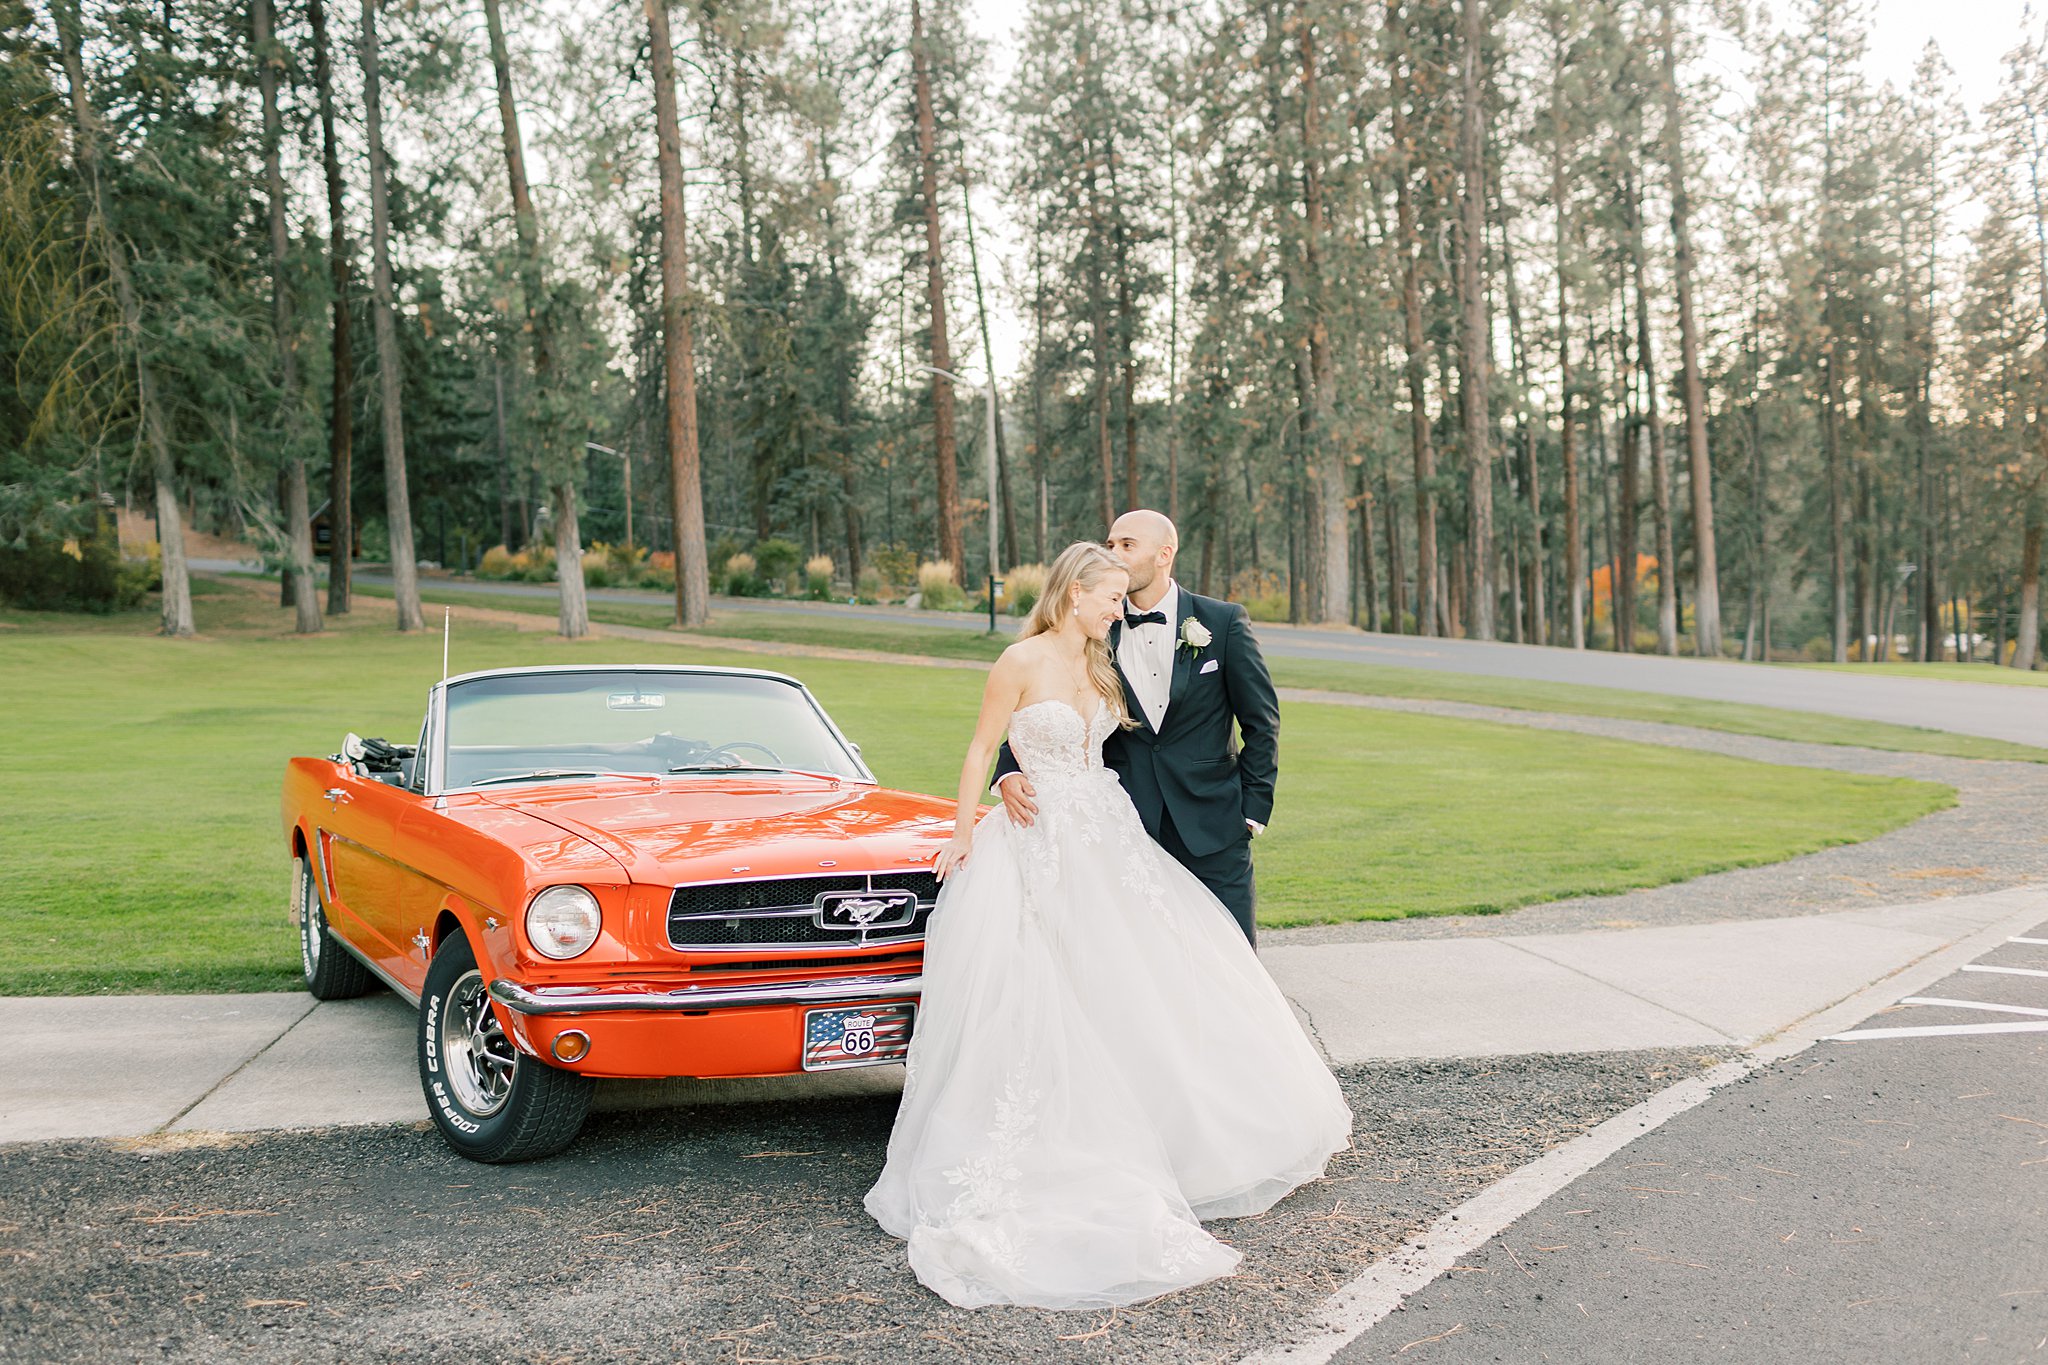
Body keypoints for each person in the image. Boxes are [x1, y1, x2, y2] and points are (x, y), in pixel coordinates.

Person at [864, 541, 1351, 1311]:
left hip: (1109, 835)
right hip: (1038, 839)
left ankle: (1173, 1135)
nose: (1120, 610)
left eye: (1126, 597)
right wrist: (973, 819)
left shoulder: (1106, 660)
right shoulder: (1020, 659)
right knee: (1040, 983)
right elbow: (985, 743)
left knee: (1134, 976)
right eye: (1109, 596)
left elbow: (1197, 728)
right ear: (1074, 592)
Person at [993, 509, 1276, 945]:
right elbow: (1040, 701)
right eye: (1110, 544)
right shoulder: (1093, 622)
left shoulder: (1222, 623)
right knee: (1141, 959)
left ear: (1165, 554)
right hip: (1124, 824)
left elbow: (1261, 722)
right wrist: (1009, 769)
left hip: (1214, 822)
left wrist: (1251, 813)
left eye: (1127, 545)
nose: (1114, 554)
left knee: (1233, 956)